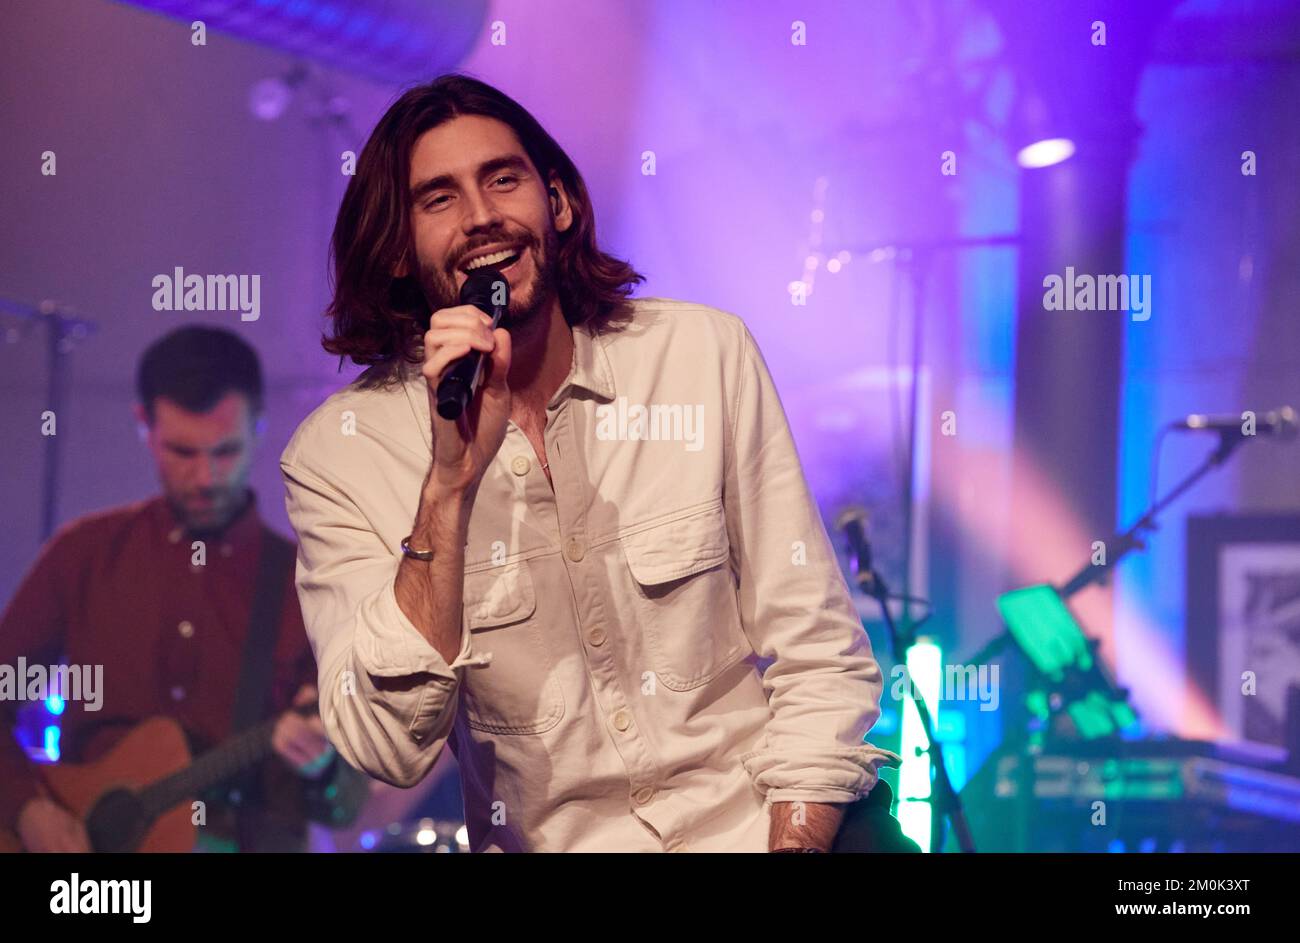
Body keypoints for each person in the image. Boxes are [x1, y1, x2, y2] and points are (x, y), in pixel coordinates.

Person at [282, 74, 914, 852]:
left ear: (560, 203)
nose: (482, 217)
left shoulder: (700, 355)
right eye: (439, 199)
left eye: (503, 179)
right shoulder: (339, 454)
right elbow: (386, 746)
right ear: (401, 250)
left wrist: (795, 838)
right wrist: (448, 485)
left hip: (766, 824)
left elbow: (818, 651)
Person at [0, 326, 365, 852]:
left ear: (260, 425)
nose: (206, 477)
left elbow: (347, 804)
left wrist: (323, 765)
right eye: (182, 451)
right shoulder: (84, 554)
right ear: (143, 425)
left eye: (226, 450)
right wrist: (27, 808)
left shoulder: (303, 582)